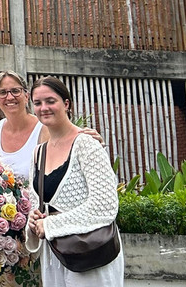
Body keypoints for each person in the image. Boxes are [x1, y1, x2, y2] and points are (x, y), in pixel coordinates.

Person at [25, 77, 124, 287]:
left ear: (66, 104)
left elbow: (105, 206)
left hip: (90, 253)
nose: (44, 108)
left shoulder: (87, 145)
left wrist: (50, 224)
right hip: (55, 254)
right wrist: (33, 220)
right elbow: (39, 205)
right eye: (38, 103)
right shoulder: (38, 153)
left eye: (51, 101)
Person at [0, 71, 103, 184]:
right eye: (3, 92)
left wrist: (90, 143)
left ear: (26, 97)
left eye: (15, 91)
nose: (9, 97)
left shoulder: (44, 130)